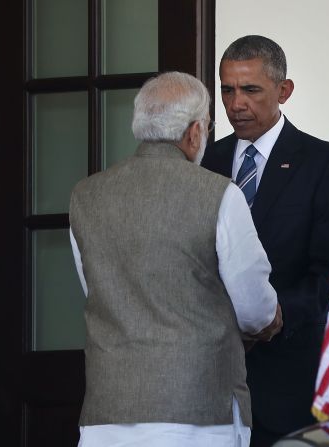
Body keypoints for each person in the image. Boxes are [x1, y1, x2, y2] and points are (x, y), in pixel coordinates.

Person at [68, 71, 282, 447]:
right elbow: (254, 308)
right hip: (197, 410)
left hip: (108, 413)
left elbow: (97, 288)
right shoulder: (218, 193)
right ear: (195, 131)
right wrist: (271, 316)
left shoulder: (85, 196)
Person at [201, 35, 329, 446]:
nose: (235, 103)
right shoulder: (203, 163)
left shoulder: (326, 164)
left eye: (250, 89)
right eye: (227, 89)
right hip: (207, 383)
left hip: (289, 380)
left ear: (284, 91)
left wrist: (278, 314)